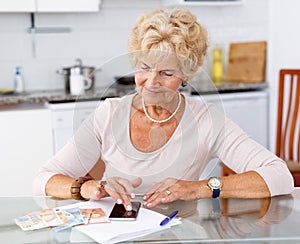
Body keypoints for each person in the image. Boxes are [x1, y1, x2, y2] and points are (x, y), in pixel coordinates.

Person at [33, 8, 294, 211]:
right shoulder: (110, 113)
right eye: (144, 67)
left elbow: (280, 176)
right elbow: (43, 180)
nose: (152, 82)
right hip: (118, 232)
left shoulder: (206, 120)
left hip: (180, 232)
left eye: (167, 72)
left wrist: (200, 188)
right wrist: (91, 187)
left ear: (186, 75)